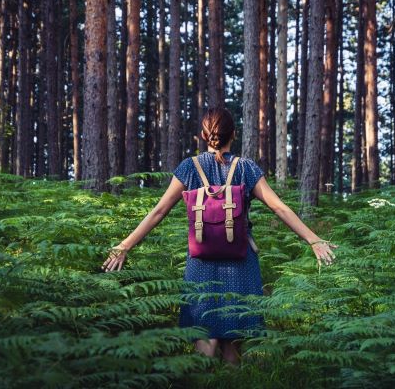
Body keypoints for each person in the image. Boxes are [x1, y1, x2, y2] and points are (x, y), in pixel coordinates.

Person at [102, 107, 337, 366]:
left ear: (204, 135)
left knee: (204, 335)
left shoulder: (188, 168)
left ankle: (201, 378)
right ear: (233, 134)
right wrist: (313, 239)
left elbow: (158, 212)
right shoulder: (246, 168)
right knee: (232, 344)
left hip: (200, 259)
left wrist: (124, 245)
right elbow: (278, 207)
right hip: (240, 260)